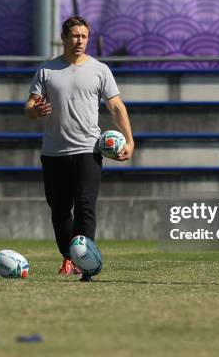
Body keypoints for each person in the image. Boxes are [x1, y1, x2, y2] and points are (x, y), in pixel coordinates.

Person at [25, 16, 134, 282]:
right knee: (60, 209)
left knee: (85, 207)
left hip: (89, 149)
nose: (79, 41)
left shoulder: (100, 70)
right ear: (63, 38)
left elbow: (116, 107)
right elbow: (29, 107)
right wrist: (36, 110)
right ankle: (68, 257)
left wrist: (130, 140)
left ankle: (85, 263)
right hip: (54, 152)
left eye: (84, 36)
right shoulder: (46, 71)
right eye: (74, 36)